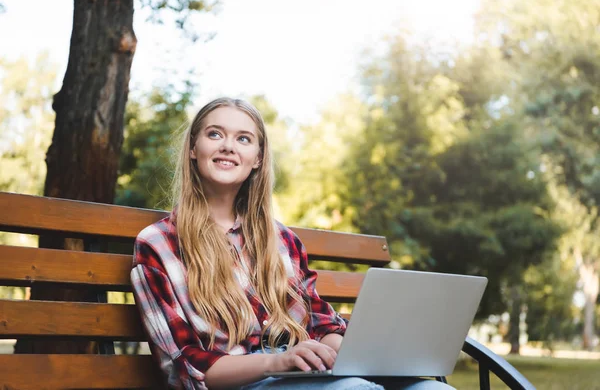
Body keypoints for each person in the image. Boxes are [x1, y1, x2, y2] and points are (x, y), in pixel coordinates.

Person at [131, 97, 454, 390]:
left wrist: (371, 357)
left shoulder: (282, 240)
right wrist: (279, 361)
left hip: (305, 377)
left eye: (244, 139)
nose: (229, 146)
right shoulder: (158, 244)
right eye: (215, 134)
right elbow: (187, 367)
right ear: (193, 148)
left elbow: (321, 322)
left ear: (257, 158)